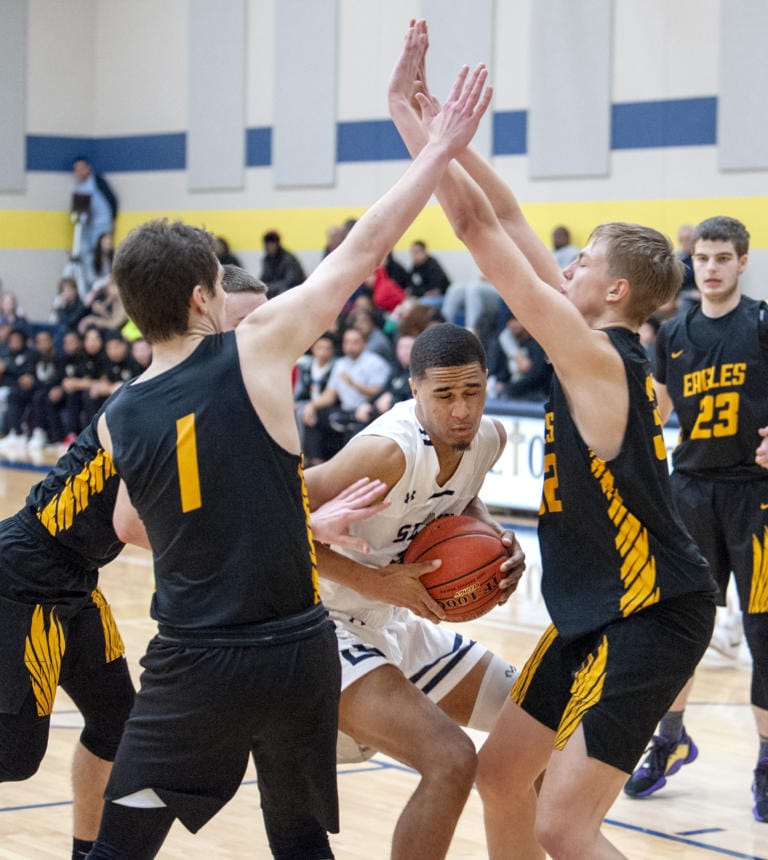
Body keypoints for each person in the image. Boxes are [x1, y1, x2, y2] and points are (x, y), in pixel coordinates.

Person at [82, 67, 491, 860]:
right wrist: (436, 146)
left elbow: (133, 525)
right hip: (298, 653)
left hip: (195, 663)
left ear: (134, 313)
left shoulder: (116, 416)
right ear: (207, 299)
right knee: (299, 840)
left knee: (121, 844)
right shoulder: (256, 350)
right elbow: (364, 244)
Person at [388, 20, 717, 857]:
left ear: (612, 288)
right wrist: (426, 127)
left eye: (577, 265)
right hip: (593, 611)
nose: (559, 269)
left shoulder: (598, 357)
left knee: (563, 825)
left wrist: (431, 135)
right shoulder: (590, 341)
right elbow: (500, 212)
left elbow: (481, 237)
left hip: (649, 611)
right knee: (502, 778)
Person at [0, 264, 383, 860]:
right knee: (17, 756)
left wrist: (300, 525)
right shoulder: (157, 398)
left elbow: (237, 517)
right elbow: (135, 524)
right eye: (244, 321)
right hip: (25, 575)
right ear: (203, 312)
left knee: (116, 725)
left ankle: (84, 850)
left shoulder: (229, 395)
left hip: (76, 578)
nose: (256, 333)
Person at [304, 322, 525, 860]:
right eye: (443, 395)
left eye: (472, 391)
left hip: (393, 617)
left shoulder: (488, 439)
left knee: (536, 729)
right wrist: (375, 581)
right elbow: (270, 520)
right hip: (324, 623)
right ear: (414, 391)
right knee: (450, 760)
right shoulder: (388, 452)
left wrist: (494, 542)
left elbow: (457, 501)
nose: (461, 410)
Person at [623, 216, 768, 821]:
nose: (710, 268)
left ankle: (765, 761)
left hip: (755, 498)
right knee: (679, 630)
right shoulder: (673, 332)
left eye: (722, 258)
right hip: (689, 494)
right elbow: (656, 410)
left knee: (763, 636)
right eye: (702, 258)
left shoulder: (761, 323)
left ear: (741, 261)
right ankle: (671, 737)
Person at [301, 326, 392, 465]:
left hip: (366, 411)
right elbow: (330, 394)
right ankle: (314, 465)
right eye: (347, 342)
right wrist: (311, 405)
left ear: (364, 344)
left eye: (355, 342)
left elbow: (378, 392)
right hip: (344, 410)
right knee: (314, 415)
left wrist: (354, 384)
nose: (350, 346)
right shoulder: (340, 364)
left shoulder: (375, 363)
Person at [71, 158, 118, 289]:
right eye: (76, 169)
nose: (79, 171)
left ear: (88, 168)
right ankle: (91, 284)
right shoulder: (78, 187)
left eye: (82, 167)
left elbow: (112, 199)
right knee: (86, 254)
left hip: (101, 224)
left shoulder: (98, 181)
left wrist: (113, 220)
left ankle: (107, 282)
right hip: (86, 227)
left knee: (102, 252)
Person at [260, 229, 306, 298]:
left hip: (292, 290)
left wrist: (270, 287)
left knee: (283, 291)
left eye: (271, 244)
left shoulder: (288, 258)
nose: (269, 247)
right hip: (276, 288)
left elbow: (291, 281)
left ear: (277, 244)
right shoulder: (266, 259)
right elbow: (264, 278)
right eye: (267, 244)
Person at [406, 239, 451, 304]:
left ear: (424, 252)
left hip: (443, 296)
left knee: (423, 302)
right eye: (412, 252)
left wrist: (418, 292)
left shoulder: (432, 265)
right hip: (424, 296)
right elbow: (410, 287)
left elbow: (435, 291)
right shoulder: (415, 267)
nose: (414, 255)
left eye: (416, 252)